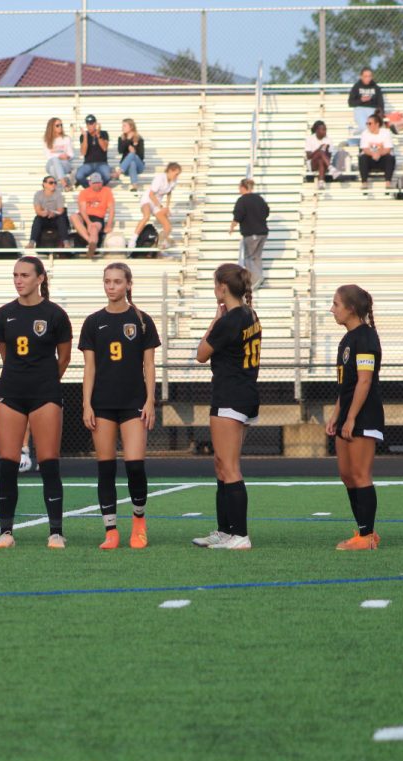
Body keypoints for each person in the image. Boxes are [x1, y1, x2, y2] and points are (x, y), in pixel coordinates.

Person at [0, 256, 72, 549]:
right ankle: (6, 532)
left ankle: (55, 531)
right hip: (11, 392)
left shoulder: (55, 314)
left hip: (45, 392)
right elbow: (6, 355)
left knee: (49, 463)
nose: (19, 280)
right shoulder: (3, 314)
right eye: (15, 275)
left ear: (40, 278)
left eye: (24, 275)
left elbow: (63, 358)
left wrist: (45, 380)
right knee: (8, 464)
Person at [79, 263, 159, 550]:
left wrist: (150, 400)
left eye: (116, 282)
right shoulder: (92, 322)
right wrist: (87, 404)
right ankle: (110, 530)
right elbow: (89, 368)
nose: (111, 286)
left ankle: (139, 521)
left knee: (135, 466)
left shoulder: (141, 320)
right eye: (107, 281)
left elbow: (149, 365)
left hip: (133, 401)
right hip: (102, 403)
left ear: (128, 284)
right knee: (106, 468)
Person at [192, 264, 261, 550]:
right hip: (240, 392)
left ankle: (239, 534)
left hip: (231, 394)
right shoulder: (248, 314)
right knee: (221, 465)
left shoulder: (232, 318)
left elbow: (201, 354)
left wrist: (214, 320)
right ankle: (225, 530)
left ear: (222, 287)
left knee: (229, 467)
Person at [326, 285, 385, 551]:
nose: (332, 309)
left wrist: (351, 418)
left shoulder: (366, 338)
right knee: (346, 475)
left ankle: (367, 536)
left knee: (361, 475)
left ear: (351, 309)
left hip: (364, 415)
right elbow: (346, 386)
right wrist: (336, 415)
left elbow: (364, 382)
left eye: (336, 304)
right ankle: (363, 530)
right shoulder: (346, 339)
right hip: (348, 415)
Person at [230, 178, 270, 289]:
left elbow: (238, 215)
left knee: (249, 258)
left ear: (243, 187)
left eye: (239, 187)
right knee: (256, 257)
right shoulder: (259, 199)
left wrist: (232, 226)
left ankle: (256, 279)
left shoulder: (242, 200)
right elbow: (266, 212)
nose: (239, 189)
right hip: (263, 232)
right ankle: (257, 279)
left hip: (252, 233)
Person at [71, 173, 115, 259]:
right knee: (74, 216)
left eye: (98, 183)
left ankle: (92, 245)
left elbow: (112, 209)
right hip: (85, 216)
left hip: (97, 217)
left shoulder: (107, 191)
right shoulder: (84, 192)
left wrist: (109, 225)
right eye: (94, 183)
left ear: (101, 183)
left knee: (94, 228)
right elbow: (82, 210)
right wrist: (88, 222)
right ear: (90, 183)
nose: (96, 185)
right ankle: (91, 242)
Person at [136, 163, 182, 244]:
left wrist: (167, 207)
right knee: (147, 216)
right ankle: (133, 240)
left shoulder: (174, 181)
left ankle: (161, 243)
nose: (177, 176)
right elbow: (151, 194)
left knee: (168, 227)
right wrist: (160, 206)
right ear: (170, 170)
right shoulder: (160, 178)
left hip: (157, 203)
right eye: (176, 174)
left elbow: (169, 193)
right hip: (147, 199)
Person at [29, 175, 70, 249]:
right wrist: (43, 213)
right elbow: (37, 210)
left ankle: (66, 243)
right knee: (37, 219)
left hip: (56, 217)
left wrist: (53, 213)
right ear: (44, 184)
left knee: (61, 219)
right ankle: (32, 242)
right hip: (44, 217)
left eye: (55, 183)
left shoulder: (58, 194)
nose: (53, 184)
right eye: (51, 183)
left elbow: (61, 210)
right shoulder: (38, 194)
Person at [358, 114, 396, 189]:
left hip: (382, 158)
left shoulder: (385, 133)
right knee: (362, 158)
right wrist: (373, 154)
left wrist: (378, 154)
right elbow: (365, 149)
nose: (368, 125)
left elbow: (388, 149)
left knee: (390, 158)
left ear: (377, 124)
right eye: (367, 123)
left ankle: (388, 182)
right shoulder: (365, 133)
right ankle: (364, 182)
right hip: (370, 158)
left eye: (370, 123)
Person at [75, 114, 111, 187]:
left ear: (95, 124)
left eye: (91, 123)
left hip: (102, 163)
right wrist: (85, 137)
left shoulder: (103, 133)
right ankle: (92, 188)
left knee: (107, 176)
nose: (89, 126)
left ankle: (95, 187)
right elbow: (83, 152)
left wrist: (98, 136)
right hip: (88, 163)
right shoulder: (83, 135)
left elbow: (104, 148)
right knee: (78, 176)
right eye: (88, 124)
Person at [348, 67, 385, 137]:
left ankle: (359, 134)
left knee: (371, 127)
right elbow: (350, 103)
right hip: (360, 109)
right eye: (365, 76)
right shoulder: (356, 87)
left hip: (372, 110)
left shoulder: (376, 87)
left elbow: (381, 103)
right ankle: (359, 133)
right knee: (365, 127)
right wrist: (361, 100)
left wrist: (381, 113)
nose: (368, 78)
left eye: (369, 76)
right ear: (361, 77)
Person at [43, 117, 75, 189]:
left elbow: (72, 154)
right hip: (51, 163)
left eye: (61, 125)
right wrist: (59, 156)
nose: (60, 127)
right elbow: (48, 156)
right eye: (57, 125)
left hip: (64, 164)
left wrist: (68, 157)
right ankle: (64, 183)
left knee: (53, 170)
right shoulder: (47, 140)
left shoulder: (66, 138)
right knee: (54, 160)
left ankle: (57, 186)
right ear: (52, 127)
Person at [305, 120, 337, 189]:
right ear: (317, 130)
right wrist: (318, 150)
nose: (325, 131)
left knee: (321, 161)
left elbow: (329, 157)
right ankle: (331, 168)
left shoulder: (328, 140)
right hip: (312, 164)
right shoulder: (310, 139)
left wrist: (327, 151)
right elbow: (308, 156)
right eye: (323, 130)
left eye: (326, 129)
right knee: (320, 151)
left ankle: (321, 183)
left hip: (323, 163)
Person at [114, 118, 145, 190]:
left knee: (132, 155)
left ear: (131, 127)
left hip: (139, 167)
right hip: (127, 168)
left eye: (124, 126)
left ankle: (119, 172)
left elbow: (141, 156)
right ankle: (134, 185)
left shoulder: (139, 139)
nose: (122, 128)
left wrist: (134, 153)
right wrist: (128, 140)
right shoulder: (121, 138)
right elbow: (120, 151)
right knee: (132, 163)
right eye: (122, 126)